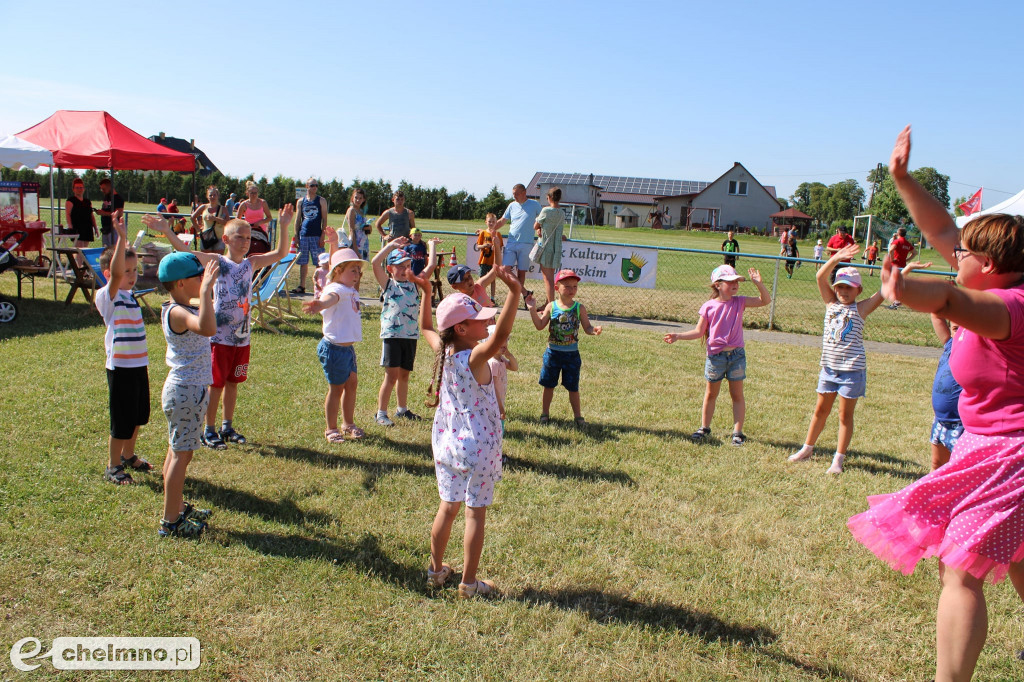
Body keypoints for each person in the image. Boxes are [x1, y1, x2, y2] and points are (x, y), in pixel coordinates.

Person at [847, 126, 1024, 681]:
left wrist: (899, 290)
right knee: (1019, 560)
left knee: (961, 571)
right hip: (987, 447)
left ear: (989, 265)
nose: (954, 253)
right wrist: (901, 178)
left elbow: (947, 296)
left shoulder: (1006, 308)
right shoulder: (997, 281)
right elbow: (943, 226)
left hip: (1010, 456)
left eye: (964, 253)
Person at [145, 204, 295, 450]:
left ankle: (227, 425)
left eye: (249, 237)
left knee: (233, 382)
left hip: (242, 339)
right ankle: (209, 429)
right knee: (216, 385)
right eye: (240, 237)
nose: (245, 242)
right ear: (225, 239)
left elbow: (280, 253)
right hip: (219, 338)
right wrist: (167, 231)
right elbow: (186, 252)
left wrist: (286, 225)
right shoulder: (217, 262)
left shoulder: (251, 263)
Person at [413, 263, 522, 597]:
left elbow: (426, 326)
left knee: (448, 508)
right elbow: (501, 337)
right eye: (480, 320)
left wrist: (428, 294)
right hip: (480, 447)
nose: (487, 321)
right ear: (461, 328)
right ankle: (469, 584)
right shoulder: (474, 358)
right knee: (475, 514)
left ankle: (435, 571)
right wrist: (515, 294)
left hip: (447, 445)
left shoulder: (444, 350)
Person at [788, 244, 884, 473]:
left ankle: (838, 459)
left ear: (859, 290)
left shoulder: (861, 309)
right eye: (840, 287)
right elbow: (820, 276)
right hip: (829, 370)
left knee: (844, 415)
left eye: (849, 288)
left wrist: (899, 273)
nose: (844, 291)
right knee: (820, 410)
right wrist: (836, 258)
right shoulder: (830, 304)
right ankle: (807, 448)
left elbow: (883, 293)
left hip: (851, 372)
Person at [664, 264, 771, 446]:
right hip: (716, 358)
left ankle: (737, 433)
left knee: (737, 395)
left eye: (736, 281)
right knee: (710, 394)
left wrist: (758, 284)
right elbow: (699, 332)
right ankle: (704, 428)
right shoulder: (708, 306)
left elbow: (765, 300)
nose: (735, 285)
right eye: (730, 282)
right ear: (718, 285)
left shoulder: (740, 302)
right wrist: (678, 336)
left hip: (736, 356)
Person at [156, 252, 218, 538]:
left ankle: (177, 506)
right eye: (198, 277)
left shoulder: (177, 305)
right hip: (186, 391)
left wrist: (205, 293)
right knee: (182, 454)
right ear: (180, 283)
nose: (203, 280)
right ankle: (171, 521)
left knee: (177, 450)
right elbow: (207, 328)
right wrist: (206, 292)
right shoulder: (178, 312)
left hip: (186, 390)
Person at [96, 217, 152, 486]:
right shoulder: (108, 295)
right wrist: (120, 238)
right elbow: (117, 274)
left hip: (138, 364)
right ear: (109, 274)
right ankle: (113, 465)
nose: (132, 275)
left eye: (135, 270)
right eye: (127, 271)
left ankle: (128, 455)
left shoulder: (130, 296)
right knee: (121, 419)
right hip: (120, 368)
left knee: (138, 415)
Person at [302, 248, 366, 443]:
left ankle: (348, 423)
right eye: (352, 271)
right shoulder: (336, 289)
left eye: (358, 271)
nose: (357, 275)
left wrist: (334, 243)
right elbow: (330, 299)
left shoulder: (349, 289)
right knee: (336, 389)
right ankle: (331, 428)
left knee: (351, 385)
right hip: (334, 349)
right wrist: (320, 305)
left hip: (347, 349)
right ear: (338, 271)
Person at [524, 269, 602, 427]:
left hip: (572, 354)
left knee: (573, 387)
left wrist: (593, 331)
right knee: (548, 385)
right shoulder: (551, 307)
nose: (572, 290)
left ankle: (578, 417)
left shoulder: (580, 308)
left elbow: (587, 327)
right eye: (567, 286)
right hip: (553, 354)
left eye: (575, 286)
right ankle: (545, 414)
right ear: (556, 287)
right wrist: (532, 309)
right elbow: (540, 326)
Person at [371, 238, 423, 426]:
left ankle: (402, 410)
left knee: (404, 375)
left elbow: (431, 265)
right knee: (391, 376)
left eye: (408, 265)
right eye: (399, 266)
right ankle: (381, 413)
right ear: (390, 269)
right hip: (392, 336)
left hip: (410, 337)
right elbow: (375, 263)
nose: (404, 270)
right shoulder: (388, 284)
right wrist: (390, 246)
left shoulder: (415, 284)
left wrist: (431, 247)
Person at [494, 183, 542, 287]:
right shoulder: (511, 205)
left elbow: (543, 220)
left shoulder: (535, 205)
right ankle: (524, 293)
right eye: (513, 194)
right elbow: (502, 221)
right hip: (511, 242)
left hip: (526, 244)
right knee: (505, 269)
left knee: (521, 272)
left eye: (516, 194)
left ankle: (517, 297)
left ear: (524, 193)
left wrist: (540, 229)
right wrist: (489, 230)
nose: (514, 196)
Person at [291, 178, 329, 294]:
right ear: (307, 186)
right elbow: (298, 220)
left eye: (316, 185)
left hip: (316, 235)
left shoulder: (321, 201)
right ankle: (302, 285)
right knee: (303, 262)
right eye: (312, 185)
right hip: (304, 235)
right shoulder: (301, 202)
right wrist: (296, 235)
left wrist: (323, 235)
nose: (315, 188)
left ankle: (321, 285)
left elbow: (325, 219)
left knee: (319, 262)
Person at [534, 187, 567, 304]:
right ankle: (549, 302)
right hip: (556, 248)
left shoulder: (546, 211)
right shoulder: (562, 213)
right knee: (551, 277)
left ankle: (551, 305)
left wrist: (539, 228)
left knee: (547, 279)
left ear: (549, 198)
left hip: (546, 247)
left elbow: (535, 225)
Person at [236, 181, 273, 259]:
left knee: (261, 250)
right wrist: (244, 225)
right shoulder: (244, 204)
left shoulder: (263, 202)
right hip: (248, 231)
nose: (254, 195)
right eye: (252, 193)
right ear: (247, 193)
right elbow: (237, 220)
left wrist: (260, 222)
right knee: (249, 251)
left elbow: (269, 217)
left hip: (261, 231)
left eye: (255, 193)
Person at [190, 185, 229, 254]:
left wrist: (215, 219)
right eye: (210, 195)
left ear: (218, 196)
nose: (212, 197)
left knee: (218, 260)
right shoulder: (203, 207)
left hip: (219, 238)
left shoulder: (223, 209)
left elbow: (228, 223)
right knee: (206, 259)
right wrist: (198, 230)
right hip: (206, 237)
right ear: (207, 197)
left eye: (214, 195)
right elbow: (193, 217)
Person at [475, 213, 504, 300]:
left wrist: (494, 247)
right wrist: (484, 246)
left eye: (493, 222)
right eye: (489, 222)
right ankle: (480, 296)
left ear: (496, 223)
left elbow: (500, 247)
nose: (491, 223)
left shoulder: (498, 234)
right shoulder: (483, 233)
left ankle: (492, 298)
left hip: (493, 261)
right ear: (486, 222)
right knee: (482, 278)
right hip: (484, 260)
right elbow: (478, 246)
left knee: (492, 280)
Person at [65, 178, 96, 255]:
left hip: (87, 228)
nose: (79, 189)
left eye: (81, 187)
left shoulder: (87, 201)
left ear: (84, 189)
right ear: (73, 189)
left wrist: (95, 228)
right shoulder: (70, 201)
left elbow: (91, 215)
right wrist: (70, 226)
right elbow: (68, 214)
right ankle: (78, 265)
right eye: (77, 188)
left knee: (85, 250)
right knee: (79, 250)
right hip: (77, 228)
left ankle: (82, 265)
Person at [340, 187, 370, 260]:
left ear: (364, 199)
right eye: (356, 197)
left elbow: (363, 228)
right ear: (352, 198)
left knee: (362, 267)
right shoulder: (352, 210)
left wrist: (368, 228)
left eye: (360, 198)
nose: (358, 200)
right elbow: (352, 230)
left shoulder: (362, 212)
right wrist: (356, 250)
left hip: (364, 242)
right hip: (355, 243)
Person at [96, 178, 124, 249]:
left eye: (104, 189)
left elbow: (119, 213)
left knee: (113, 249)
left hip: (113, 228)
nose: (102, 191)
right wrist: (100, 211)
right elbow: (106, 209)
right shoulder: (106, 197)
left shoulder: (118, 198)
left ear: (110, 187)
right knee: (105, 250)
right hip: (105, 228)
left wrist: (104, 213)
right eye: (101, 189)